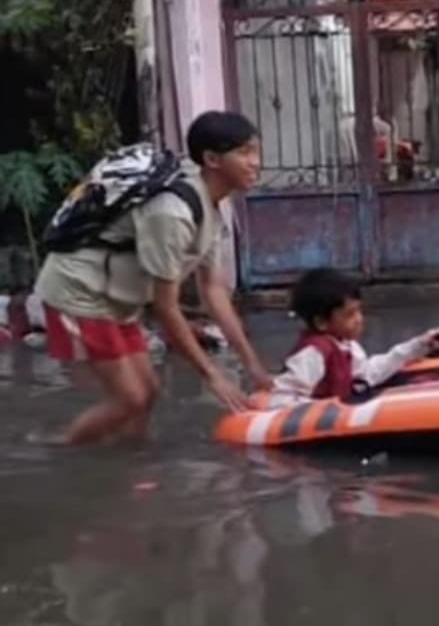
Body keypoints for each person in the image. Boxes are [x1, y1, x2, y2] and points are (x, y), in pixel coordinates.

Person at [34, 111, 272, 444]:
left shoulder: (212, 203)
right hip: (81, 292)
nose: (255, 163)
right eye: (245, 153)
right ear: (212, 159)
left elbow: (214, 291)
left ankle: (132, 464)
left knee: (149, 393)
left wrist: (252, 365)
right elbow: (166, 308)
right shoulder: (173, 213)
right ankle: (60, 452)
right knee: (129, 398)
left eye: (256, 151)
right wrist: (213, 376)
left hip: (117, 294)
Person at [267, 268, 439, 408]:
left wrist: (416, 347)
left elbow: (368, 374)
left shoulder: (347, 346)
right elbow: (283, 397)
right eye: (349, 314)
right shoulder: (314, 352)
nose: (359, 320)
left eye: (359, 311)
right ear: (322, 322)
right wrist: (322, 410)